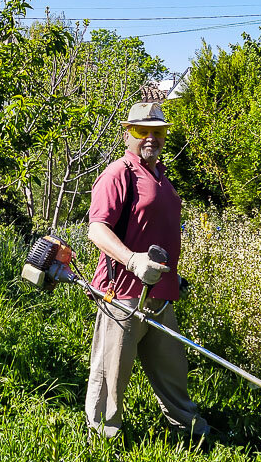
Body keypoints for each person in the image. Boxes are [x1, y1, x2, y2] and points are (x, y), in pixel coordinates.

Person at [85, 101, 210, 441]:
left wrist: (174, 278)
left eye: (158, 131)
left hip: (160, 297)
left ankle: (191, 434)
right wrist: (133, 260)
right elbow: (97, 229)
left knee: (173, 372)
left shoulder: (162, 177)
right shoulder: (119, 173)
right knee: (111, 375)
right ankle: (101, 441)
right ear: (129, 133)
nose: (151, 138)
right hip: (122, 295)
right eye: (143, 131)